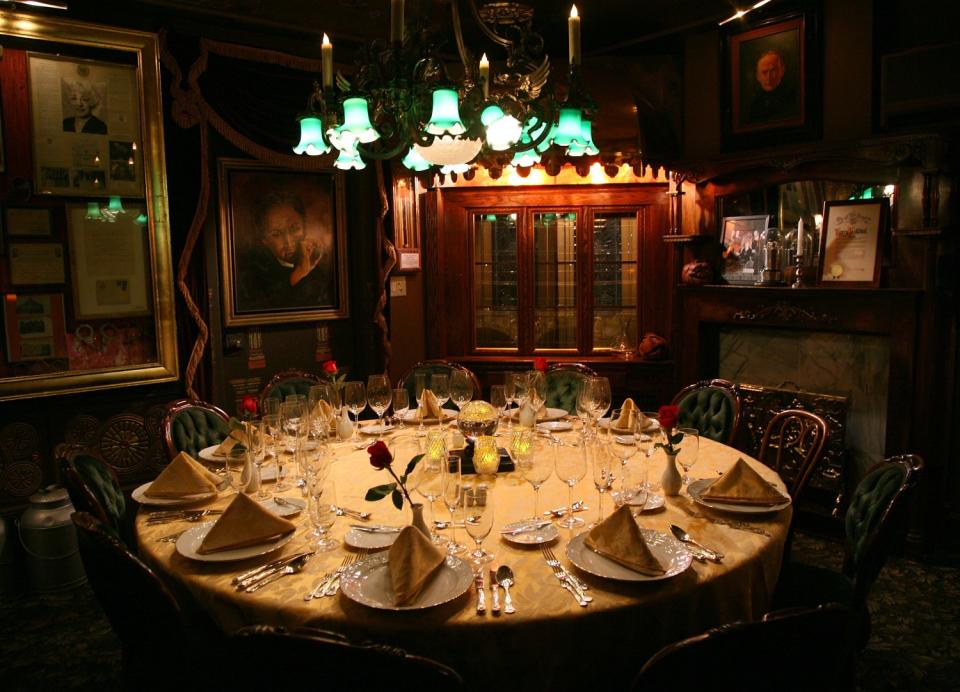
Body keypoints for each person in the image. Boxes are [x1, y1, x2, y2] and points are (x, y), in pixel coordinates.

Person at [236, 189, 333, 311]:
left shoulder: (320, 270)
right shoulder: (252, 273)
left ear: (304, 227)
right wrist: (299, 272)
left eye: (294, 229)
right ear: (264, 240)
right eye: (276, 234)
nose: (289, 242)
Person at [747, 49, 797, 124]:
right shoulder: (754, 106)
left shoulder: (793, 97)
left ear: (782, 71)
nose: (769, 77)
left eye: (773, 71)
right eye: (764, 72)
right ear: (758, 76)